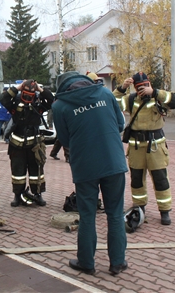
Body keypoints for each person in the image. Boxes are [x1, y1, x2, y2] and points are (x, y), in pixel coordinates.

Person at [53, 71, 128, 276]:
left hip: (85, 166)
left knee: (88, 216)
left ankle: (87, 262)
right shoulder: (105, 94)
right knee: (115, 214)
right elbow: (120, 124)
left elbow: (65, 140)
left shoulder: (60, 106)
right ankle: (118, 263)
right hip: (113, 162)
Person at [113, 72, 175, 225]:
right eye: (140, 87)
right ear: (135, 88)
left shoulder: (158, 97)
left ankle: (164, 210)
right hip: (136, 147)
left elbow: (174, 101)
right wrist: (122, 88)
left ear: (150, 84)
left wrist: (155, 92)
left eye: (146, 86)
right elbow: (113, 104)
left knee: (160, 179)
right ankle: (139, 207)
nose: (144, 89)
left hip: (155, 145)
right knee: (136, 180)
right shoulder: (131, 100)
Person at [0, 79, 54, 207]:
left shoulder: (38, 104)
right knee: (18, 172)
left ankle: (37, 194)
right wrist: (17, 88)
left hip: (34, 144)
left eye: (31, 94)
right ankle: (17, 195)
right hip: (17, 145)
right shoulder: (15, 103)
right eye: (26, 94)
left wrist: (41, 90)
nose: (28, 97)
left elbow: (52, 101)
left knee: (36, 172)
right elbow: (3, 98)